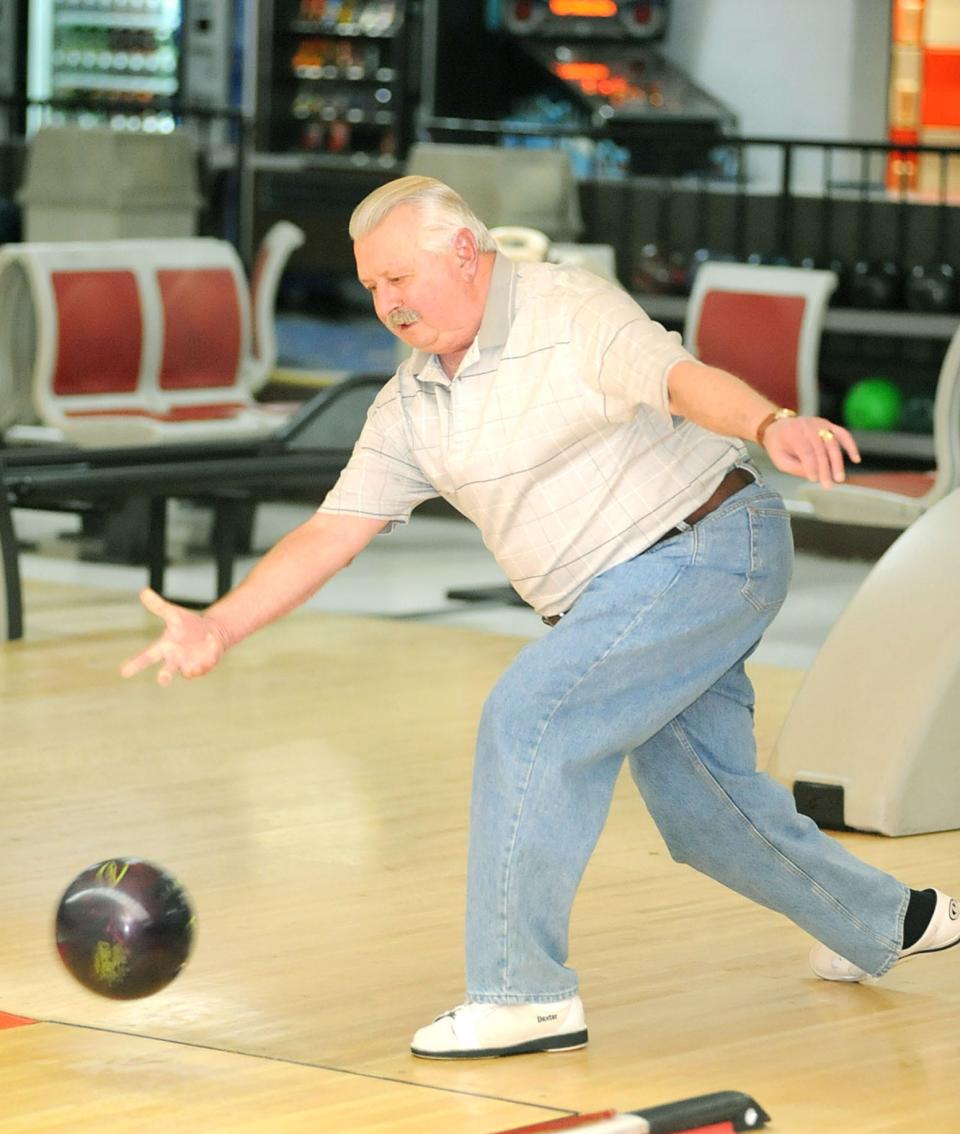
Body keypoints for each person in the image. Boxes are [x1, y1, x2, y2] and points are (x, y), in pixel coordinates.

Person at [121, 176, 959, 1060]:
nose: (386, 302)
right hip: (617, 598)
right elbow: (333, 531)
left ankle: (526, 996)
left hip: (707, 545)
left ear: (462, 251)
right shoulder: (413, 404)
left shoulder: (565, 309)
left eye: (399, 277)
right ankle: (890, 918)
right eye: (372, 286)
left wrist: (770, 419)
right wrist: (219, 624)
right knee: (704, 812)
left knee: (532, 720)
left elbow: (675, 377)